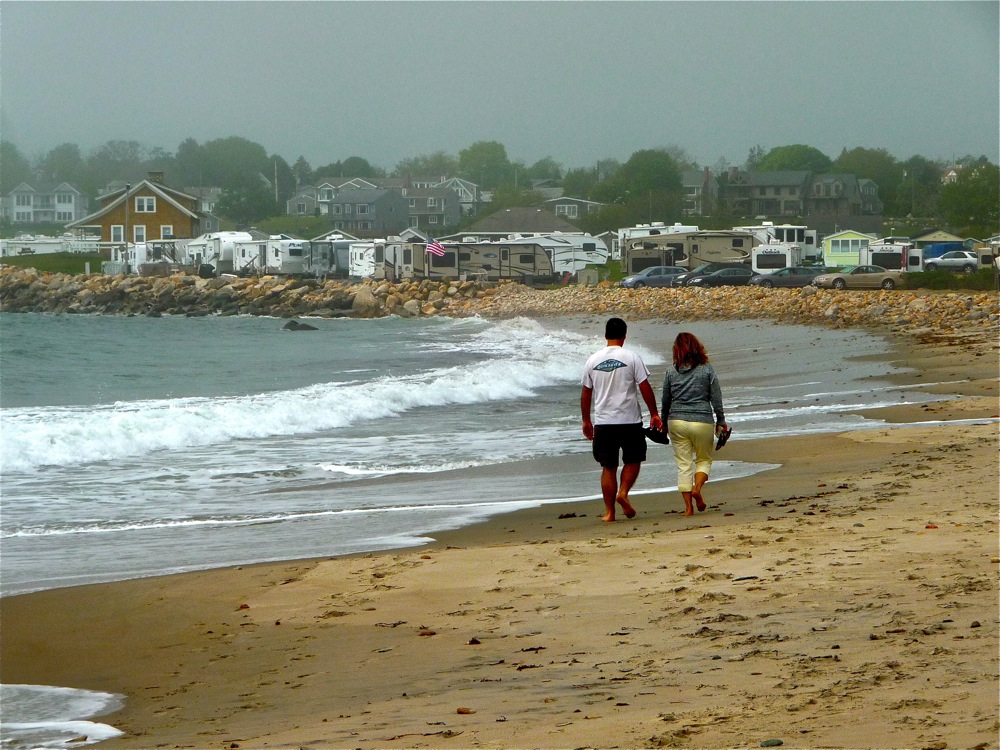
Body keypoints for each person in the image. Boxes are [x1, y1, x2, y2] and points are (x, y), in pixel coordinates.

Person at [581, 318, 663, 522]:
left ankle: (609, 513)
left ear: (605, 336)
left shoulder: (593, 360)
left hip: (603, 422)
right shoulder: (632, 357)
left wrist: (586, 420)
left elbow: (586, 393)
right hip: (629, 420)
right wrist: (654, 413)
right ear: (624, 336)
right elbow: (644, 387)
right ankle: (623, 492)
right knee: (633, 460)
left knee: (608, 467)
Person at [659, 332, 727, 516]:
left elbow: (665, 400)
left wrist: (663, 422)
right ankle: (697, 488)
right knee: (704, 460)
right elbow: (716, 397)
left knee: (683, 464)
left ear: (676, 350)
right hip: (702, 420)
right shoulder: (707, 370)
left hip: (677, 421)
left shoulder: (671, 371)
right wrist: (721, 420)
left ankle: (688, 508)